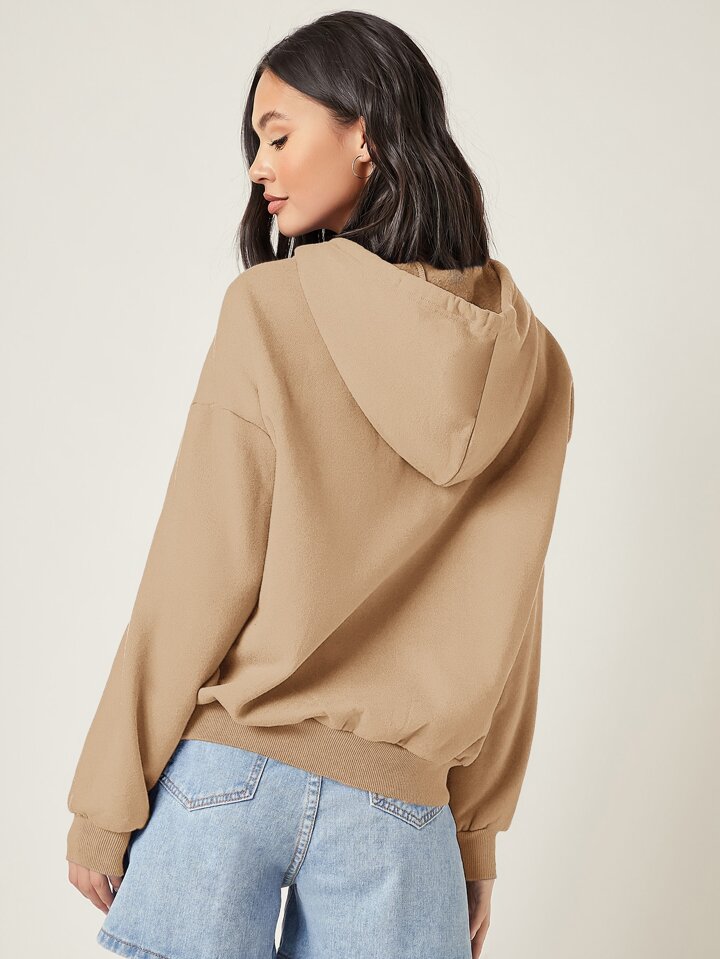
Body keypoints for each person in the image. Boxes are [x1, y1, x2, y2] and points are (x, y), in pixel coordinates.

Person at [65, 11, 574, 959]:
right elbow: (511, 618)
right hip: (403, 810)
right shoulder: (533, 363)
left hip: (227, 775)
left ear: (364, 132)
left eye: (277, 135)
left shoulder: (270, 308)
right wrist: (474, 833)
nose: (258, 168)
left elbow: (198, 569)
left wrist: (106, 796)